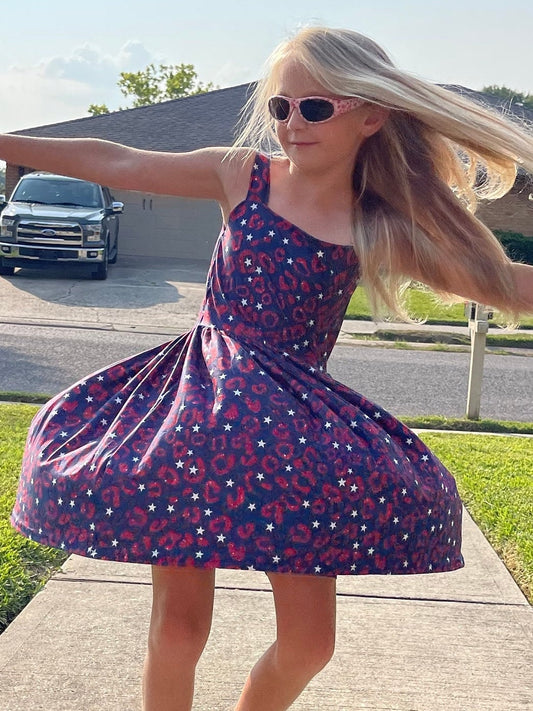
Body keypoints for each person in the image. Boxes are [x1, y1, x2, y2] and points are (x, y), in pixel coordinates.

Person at [4, 25, 533, 711]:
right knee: (178, 626)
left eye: (315, 108)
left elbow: (502, 282)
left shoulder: (377, 225)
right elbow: (122, 160)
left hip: (292, 441)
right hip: (193, 417)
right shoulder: (242, 175)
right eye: (281, 107)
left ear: (370, 115)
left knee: (311, 643)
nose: (291, 123)